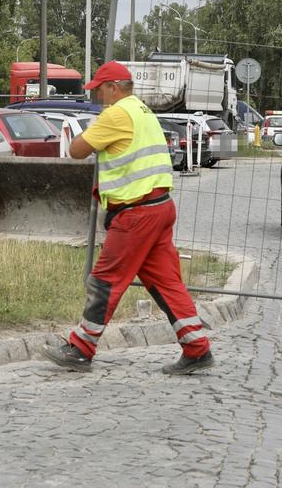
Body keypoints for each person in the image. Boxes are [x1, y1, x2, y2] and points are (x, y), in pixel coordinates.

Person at [42, 61, 214, 375]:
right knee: (166, 283)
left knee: (105, 281)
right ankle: (197, 348)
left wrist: (88, 132)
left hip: (135, 214)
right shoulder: (144, 111)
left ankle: (80, 349)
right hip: (159, 207)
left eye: (99, 91)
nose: (98, 98)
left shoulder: (117, 113)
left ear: (113, 88)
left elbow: (77, 150)